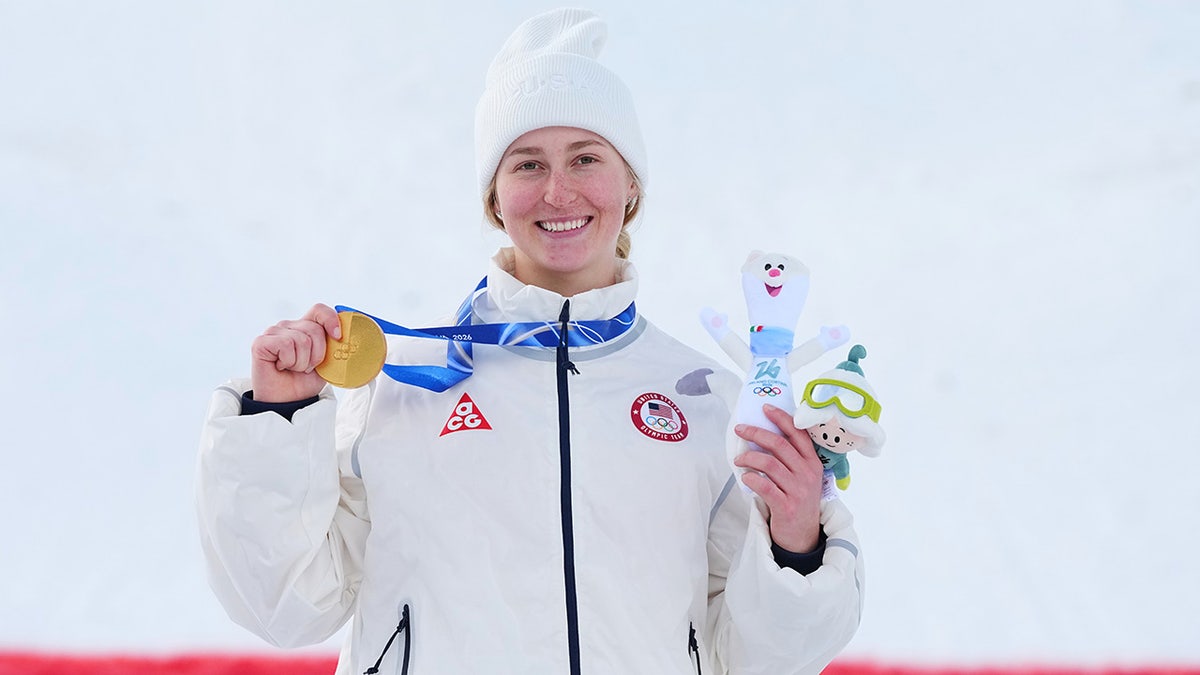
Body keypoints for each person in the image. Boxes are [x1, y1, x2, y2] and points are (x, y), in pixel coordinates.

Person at [196, 8, 864, 674]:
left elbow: (762, 658)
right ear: (494, 197)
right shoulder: (402, 381)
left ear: (631, 184)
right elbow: (285, 603)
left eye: (586, 158)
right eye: (527, 164)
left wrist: (796, 542)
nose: (558, 191)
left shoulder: (708, 401)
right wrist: (278, 416)